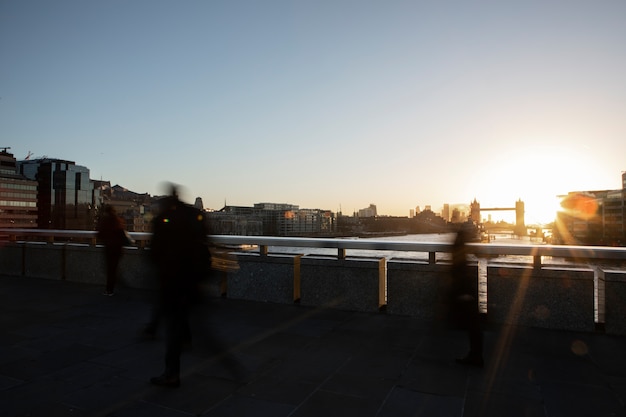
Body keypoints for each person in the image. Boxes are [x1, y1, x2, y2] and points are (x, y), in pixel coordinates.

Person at [148, 187, 212, 387]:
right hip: (192, 278)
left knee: (173, 324)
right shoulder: (195, 216)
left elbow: (155, 251)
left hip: (172, 279)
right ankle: (187, 339)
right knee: (183, 317)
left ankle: (171, 373)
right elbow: (205, 242)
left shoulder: (164, 219)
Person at [449, 221, 484, 367]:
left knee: (472, 324)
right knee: (473, 324)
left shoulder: (459, 241)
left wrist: (463, 290)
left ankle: (475, 356)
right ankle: (475, 355)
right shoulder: (463, 241)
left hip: (464, 288)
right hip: (465, 287)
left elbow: (459, 266)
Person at [97, 205, 126, 296]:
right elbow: (122, 235)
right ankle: (114, 286)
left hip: (109, 248)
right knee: (114, 268)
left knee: (110, 269)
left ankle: (109, 289)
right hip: (117, 248)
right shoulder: (118, 221)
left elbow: (99, 234)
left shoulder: (104, 221)